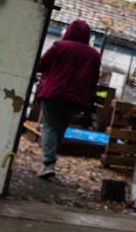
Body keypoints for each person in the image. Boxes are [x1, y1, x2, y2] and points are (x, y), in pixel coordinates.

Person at [34, 19, 101, 179]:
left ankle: (48, 163)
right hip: (75, 99)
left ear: (69, 31)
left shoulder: (59, 47)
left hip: (53, 94)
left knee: (49, 127)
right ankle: (49, 165)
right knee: (60, 129)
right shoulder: (93, 55)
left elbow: (41, 65)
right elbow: (94, 79)